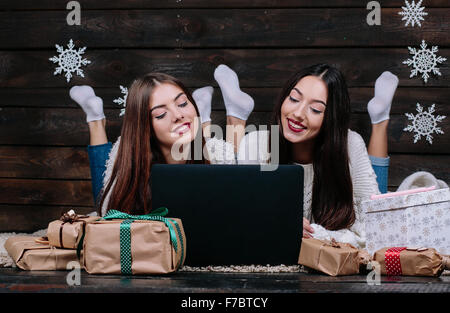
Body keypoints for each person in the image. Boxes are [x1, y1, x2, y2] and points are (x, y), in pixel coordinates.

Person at [235, 64, 398, 248]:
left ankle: (380, 121)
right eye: (294, 99)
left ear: (332, 118)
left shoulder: (350, 144)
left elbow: (374, 231)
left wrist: (313, 234)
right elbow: (239, 222)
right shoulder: (254, 144)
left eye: (315, 110)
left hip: (328, 270)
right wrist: (278, 225)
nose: (297, 114)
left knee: (383, 205)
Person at [70, 70, 254, 216]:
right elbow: (107, 214)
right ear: (146, 128)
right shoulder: (126, 156)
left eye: (182, 103)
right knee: (101, 199)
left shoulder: (219, 154)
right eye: (161, 114)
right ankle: (95, 121)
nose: (178, 115)